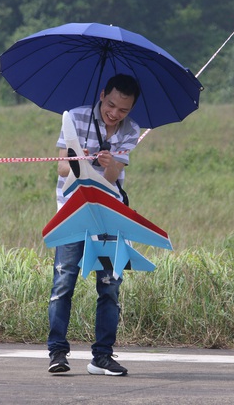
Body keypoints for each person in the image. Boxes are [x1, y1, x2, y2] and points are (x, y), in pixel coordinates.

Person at [48, 74, 141, 376]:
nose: (114, 114)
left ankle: (102, 356)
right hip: (73, 213)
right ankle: (57, 353)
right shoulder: (75, 118)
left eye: (123, 110)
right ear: (102, 95)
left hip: (107, 216)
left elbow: (114, 177)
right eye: (111, 105)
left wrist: (108, 162)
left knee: (110, 285)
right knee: (64, 283)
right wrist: (83, 161)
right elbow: (62, 167)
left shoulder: (131, 131)